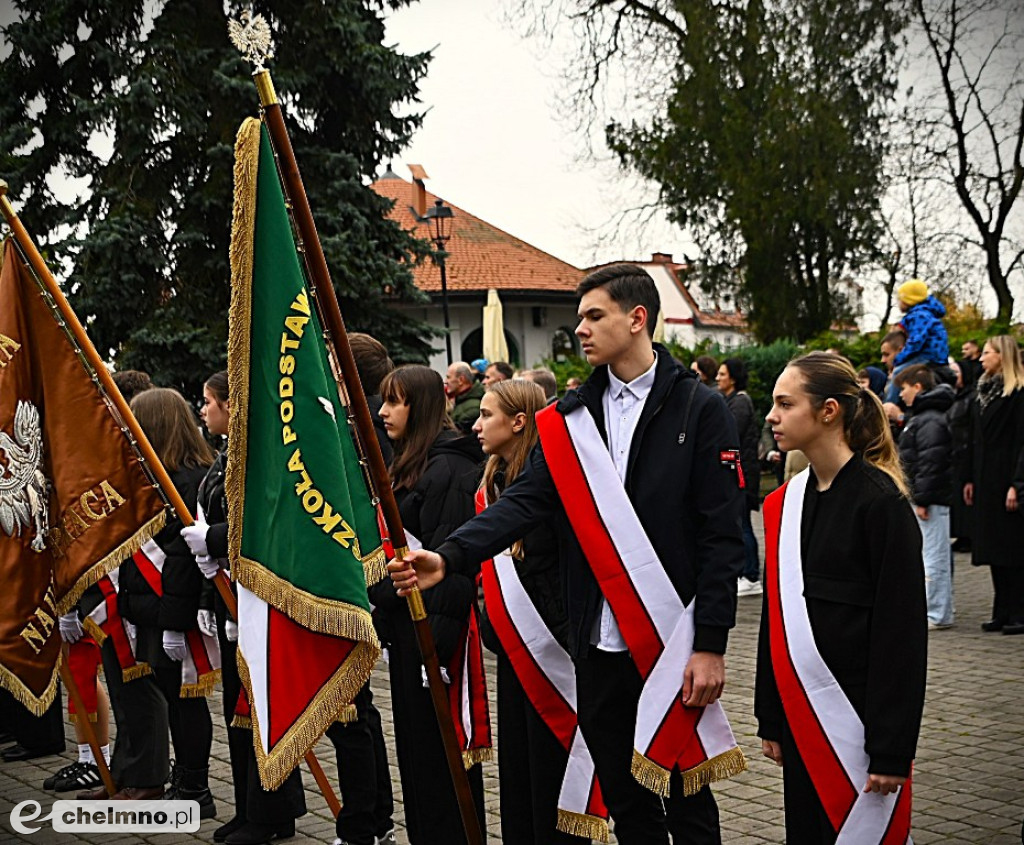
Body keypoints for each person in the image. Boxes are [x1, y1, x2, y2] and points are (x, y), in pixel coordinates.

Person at [391, 264, 747, 845]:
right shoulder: (571, 419)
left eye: (593, 316)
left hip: (669, 639)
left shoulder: (699, 409)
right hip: (596, 644)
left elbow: (722, 537)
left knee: (686, 802)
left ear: (637, 320)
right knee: (628, 806)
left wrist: (710, 644)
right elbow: (525, 501)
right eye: (579, 317)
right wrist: (450, 557)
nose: (579, 329)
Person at [757, 351, 927, 844]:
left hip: (858, 728)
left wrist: (893, 749)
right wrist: (771, 713)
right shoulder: (785, 503)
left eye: (785, 404)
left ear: (828, 411)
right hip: (801, 720)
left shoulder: (883, 504)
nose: (773, 416)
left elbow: (902, 636)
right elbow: (777, 616)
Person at [182, 371, 307, 844]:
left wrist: (213, 538)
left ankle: (272, 813)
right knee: (238, 711)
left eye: (209, 401)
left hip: (257, 596)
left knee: (260, 710)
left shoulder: (259, 454)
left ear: (232, 405)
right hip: (227, 596)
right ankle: (248, 805)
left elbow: (262, 518)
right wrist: (204, 597)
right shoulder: (222, 457)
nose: (203, 410)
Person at [368, 365, 487, 844]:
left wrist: (433, 648)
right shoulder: (410, 465)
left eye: (394, 402)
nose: (382, 412)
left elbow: (451, 566)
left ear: (419, 406)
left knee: (441, 759)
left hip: (432, 643)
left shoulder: (450, 470)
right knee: (417, 755)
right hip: (407, 632)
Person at [474, 378, 590, 844]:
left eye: (487, 414)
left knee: (552, 766)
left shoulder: (542, 482)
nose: (476, 424)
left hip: (552, 645)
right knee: (519, 767)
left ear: (518, 422)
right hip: (514, 645)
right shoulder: (491, 480)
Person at [116, 388, 217, 811]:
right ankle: (187, 776)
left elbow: (179, 561)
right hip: (158, 608)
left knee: (186, 698)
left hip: (179, 609)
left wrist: (174, 622)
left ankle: (195, 785)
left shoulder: (187, 479)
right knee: (173, 696)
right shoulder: (160, 476)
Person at [964, 336, 1024, 634]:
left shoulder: (1018, 393)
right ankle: (1001, 609)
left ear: (1003, 356)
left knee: (1013, 547)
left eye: (987, 353)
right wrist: (970, 479)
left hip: (1006, 476)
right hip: (986, 478)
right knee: (994, 547)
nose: (981, 358)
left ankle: (1018, 611)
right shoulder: (982, 392)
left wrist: (1018, 483)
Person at [894, 365, 956, 629]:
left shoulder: (929, 419)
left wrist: (923, 498)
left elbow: (932, 460)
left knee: (934, 556)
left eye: (904, 388)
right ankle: (935, 609)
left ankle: (938, 613)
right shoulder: (921, 417)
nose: (901, 395)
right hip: (924, 497)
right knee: (928, 554)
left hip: (929, 500)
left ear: (917, 387)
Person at [717, 358, 763, 596]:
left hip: (742, 474)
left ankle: (752, 574)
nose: (717, 378)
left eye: (722, 374)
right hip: (732, 473)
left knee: (744, 524)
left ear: (733, 377)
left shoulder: (740, 403)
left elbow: (727, 432)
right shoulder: (729, 401)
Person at [893, 279, 949, 370]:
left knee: (898, 372)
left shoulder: (919, 316)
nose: (898, 302)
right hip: (936, 357)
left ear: (908, 300)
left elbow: (916, 341)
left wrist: (899, 359)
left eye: (899, 299)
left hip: (928, 356)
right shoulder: (924, 314)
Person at [445, 360, 486, 434]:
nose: (445, 381)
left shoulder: (473, 407)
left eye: (448, 377)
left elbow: (456, 435)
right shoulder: (460, 399)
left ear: (461, 380)